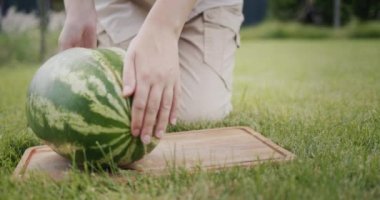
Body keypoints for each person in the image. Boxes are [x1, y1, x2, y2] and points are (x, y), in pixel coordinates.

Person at [59, 0, 244, 145]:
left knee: (194, 115)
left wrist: (163, 28)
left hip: (203, 5)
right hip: (122, 4)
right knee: (126, 111)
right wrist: (78, 8)